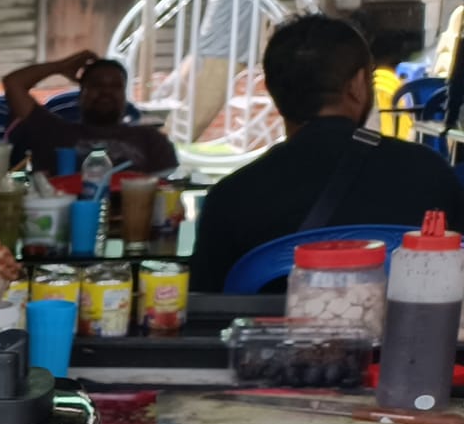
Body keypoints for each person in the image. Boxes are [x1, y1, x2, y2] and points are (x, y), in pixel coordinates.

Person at [193, 15, 464, 290]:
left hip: (275, 334)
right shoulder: (431, 174)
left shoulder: (231, 197)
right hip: (409, 334)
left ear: (272, 92)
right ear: (357, 85)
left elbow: (202, 308)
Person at [5, 51, 178, 175]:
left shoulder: (150, 140)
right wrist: (60, 66)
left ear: (125, 96)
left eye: (115, 86)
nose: (106, 92)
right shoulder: (52, 132)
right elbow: (13, 83)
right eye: (97, 85)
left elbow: (166, 196)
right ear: (81, 94)